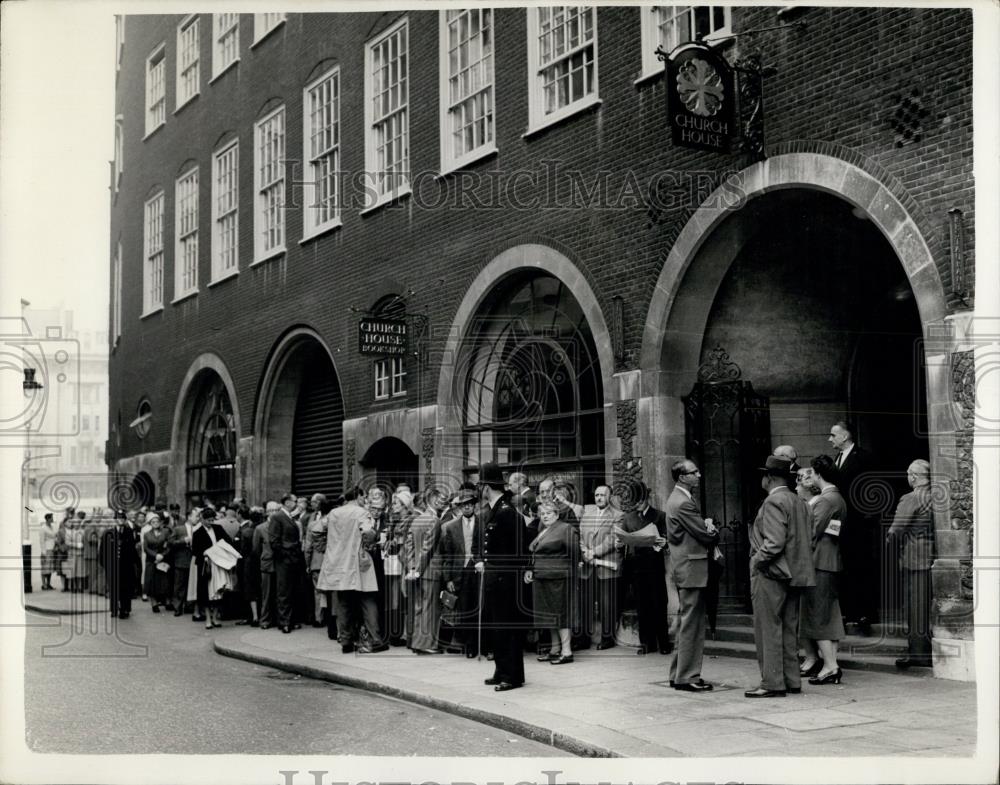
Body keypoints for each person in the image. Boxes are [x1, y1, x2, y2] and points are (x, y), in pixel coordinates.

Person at [745, 456, 816, 698]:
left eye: (764, 475)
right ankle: (791, 680)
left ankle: (773, 682)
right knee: (788, 628)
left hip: (772, 573)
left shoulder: (773, 502)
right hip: (796, 573)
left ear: (770, 477)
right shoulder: (800, 502)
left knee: (768, 628)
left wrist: (756, 561)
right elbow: (810, 538)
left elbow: (774, 543)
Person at [665, 459, 719, 692]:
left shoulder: (680, 499)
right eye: (693, 472)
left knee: (687, 622)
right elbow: (705, 535)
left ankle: (678, 673)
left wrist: (705, 526)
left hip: (686, 568)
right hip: (692, 569)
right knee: (692, 625)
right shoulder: (683, 503)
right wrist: (711, 528)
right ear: (681, 477)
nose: (698, 475)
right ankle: (687, 677)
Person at [316, 487, 387, 653]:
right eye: (363, 497)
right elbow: (368, 532)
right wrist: (370, 544)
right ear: (358, 496)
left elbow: (316, 529)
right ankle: (375, 640)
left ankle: (346, 641)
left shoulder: (334, 513)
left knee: (343, 603)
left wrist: (325, 548)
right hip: (358, 562)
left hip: (338, 563)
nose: (365, 500)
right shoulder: (361, 512)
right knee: (368, 600)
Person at [477, 462, 528, 691]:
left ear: (487, 487)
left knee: (507, 628)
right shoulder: (495, 510)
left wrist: (498, 572)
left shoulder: (508, 513)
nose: (480, 490)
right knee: (497, 627)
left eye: (481, 486)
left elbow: (519, 552)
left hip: (506, 582)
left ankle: (513, 675)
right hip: (495, 581)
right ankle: (501, 670)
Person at [798, 455, 847, 685]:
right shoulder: (835, 498)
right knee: (828, 614)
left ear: (818, 475)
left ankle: (830, 666)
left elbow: (810, 532)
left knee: (818, 615)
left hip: (820, 562)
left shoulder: (825, 500)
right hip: (829, 561)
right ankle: (830, 664)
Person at [828, 420, 877, 634]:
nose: (830, 439)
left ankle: (867, 611)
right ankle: (851, 610)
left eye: (833, 435)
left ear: (845, 436)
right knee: (846, 566)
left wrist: (868, 516)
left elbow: (873, 487)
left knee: (862, 565)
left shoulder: (864, 457)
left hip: (859, 522)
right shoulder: (836, 459)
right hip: (841, 522)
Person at [887, 459, 936, 669]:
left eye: (909, 474)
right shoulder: (936, 495)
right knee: (925, 607)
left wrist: (890, 541)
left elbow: (896, 529)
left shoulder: (911, 497)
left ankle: (919, 653)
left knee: (915, 608)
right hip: (931, 555)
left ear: (914, 476)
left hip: (914, 557)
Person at [620, 481, 671, 655]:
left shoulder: (659, 516)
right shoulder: (628, 518)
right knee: (642, 606)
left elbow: (666, 540)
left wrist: (664, 542)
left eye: (641, 499)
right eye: (636, 500)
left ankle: (663, 642)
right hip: (637, 568)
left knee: (659, 603)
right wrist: (620, 541)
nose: (638, 503)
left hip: (654, 567)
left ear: (647, 497)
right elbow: (622, 540)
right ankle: (647, 643)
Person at [525, 500, 580, 664]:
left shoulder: (566, 528)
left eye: (549, 513)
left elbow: (575, 554)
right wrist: (530, 570)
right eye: (542, 514)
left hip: (560, 579)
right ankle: (555, 649)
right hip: (542, 578)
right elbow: (534, 553)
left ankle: (567, 652)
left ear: (557, 514)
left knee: (561, 615)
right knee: (549, 616)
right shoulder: (543, 529)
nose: (545, 516)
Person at [404, 486, 450, 653]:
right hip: (430, 571)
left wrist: (412, 568)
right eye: (440, 500)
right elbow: (428, 548)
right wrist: (418, 569)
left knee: (419, 608)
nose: (443, 503)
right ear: (432, 500)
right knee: (430, 610)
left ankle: (417, 643)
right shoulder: (434, 520)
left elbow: (409, 546)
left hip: (418, 571)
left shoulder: (417, 519)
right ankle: (427, 645)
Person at [578, 484, 623, 650]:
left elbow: (612, 539)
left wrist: (593, 553)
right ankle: (583, 639)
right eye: (596, 495)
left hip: (607, 567)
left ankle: (607, 638)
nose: (598, 498)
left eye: (602, 495)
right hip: (587, 567)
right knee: (585, 604)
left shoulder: (618, 515)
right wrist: (584, 551)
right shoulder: (586, 514)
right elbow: (580, 536)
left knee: (607, 604)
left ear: (609, 497)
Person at [439, 486, 482, 657]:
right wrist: (448, 578)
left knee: (478, 607)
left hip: (477, 570)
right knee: (464, 610)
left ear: (474, 505)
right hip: (460, 572)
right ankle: (469, 646)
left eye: (470, 504)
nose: (467, 507)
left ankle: (480, 645)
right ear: (459, 507)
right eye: (463, 505)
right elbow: (447, 554)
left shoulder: (483, 523)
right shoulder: (451, 527)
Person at [192, 508, 233, 629]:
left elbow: (228, 541)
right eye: (208, 520)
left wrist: (222, 550)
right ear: (202, 519)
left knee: (218, 591)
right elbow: (195, 551)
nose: (211, 522)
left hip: (219, 564)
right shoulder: (197, 533)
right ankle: (208, 619)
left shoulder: (218, 528)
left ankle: (215, 617)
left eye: (212, 520)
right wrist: (206, 553)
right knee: (206, 592)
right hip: (206, 566)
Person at [268, 494, 304, 634]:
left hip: (292, 559)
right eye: (295, 501)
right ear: (287, 502)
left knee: (291, 590)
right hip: (285, 560)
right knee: (283, 591)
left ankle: (290, 620)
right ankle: (284, 622)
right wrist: (285, 554)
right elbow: (274, 541)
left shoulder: (289, 517)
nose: (297, 503)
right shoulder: (278, 517)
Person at [384, 489, 415, 644]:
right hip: (395, 564)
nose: (393, 505)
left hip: (403, 564)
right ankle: (399, 633)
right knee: (396, 598)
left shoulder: (408, 520)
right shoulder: (397, 520)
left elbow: (406, 544)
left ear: (404, 505)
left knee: (403, 597)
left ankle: (404, 634)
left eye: (396, 503)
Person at [100, 510, 138, 619]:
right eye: (118, 518)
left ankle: (125, 609)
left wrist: (134, 563)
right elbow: (103, 550)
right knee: (114, 588)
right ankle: (114, 609)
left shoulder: (129, 532)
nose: (120, 520)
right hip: (113, 566)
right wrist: (105, 565)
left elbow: (132, 549)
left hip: (126, 566)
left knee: (126, 588)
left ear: (125, 520)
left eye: (122, 518)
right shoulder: (108, 533)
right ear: (114, 520)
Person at [303, 495, 331, 629]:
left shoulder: (312, 523)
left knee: (319, 591)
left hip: (317, 561)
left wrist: (307, 564)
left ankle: (319, 618)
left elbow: (308, 546)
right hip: (331, 560)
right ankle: (330, 617)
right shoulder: (333, 520)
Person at [142, 513, 172, 612]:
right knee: (152, 583)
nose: (155, 523)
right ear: (150, 523)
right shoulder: (147, 534)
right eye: (153, 522)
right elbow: (146, 548)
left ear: (160, 522)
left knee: (164, 582)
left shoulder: (165, 532)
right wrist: (155, 556)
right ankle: (154, 603)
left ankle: (167, 602)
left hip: (163, 560)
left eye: (157, 521)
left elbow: (169, 546)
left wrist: (163, 555)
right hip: (152, 561)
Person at [235, 504, 259, 626]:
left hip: (246, 563)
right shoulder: (257, 529)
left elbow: (242, 549)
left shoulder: (246, 531)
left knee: (247, 589)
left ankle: (250, 617)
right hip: (256, 563)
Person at [252, 506, 276, 629]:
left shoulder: (280, 526)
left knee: (280, 593)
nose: (274, 513)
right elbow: (256, 549)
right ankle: (265, 620)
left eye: (276, 510)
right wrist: (264, 556)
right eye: (271, 510)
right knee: (266, 594)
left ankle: (278, 620)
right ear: (267, 513)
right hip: (266, 564)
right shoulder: (260, 528)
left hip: (280, 564)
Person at [168, 509, 195, 617]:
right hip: (181, 560)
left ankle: (189, 606)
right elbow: (170, 542)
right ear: (189, 517)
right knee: (179, 584)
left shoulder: (198, 529)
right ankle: (177, 607)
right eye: (195, 516)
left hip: (193, 561)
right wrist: (183, 541)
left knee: (191, 584)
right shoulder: (179, 529)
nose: (197, 518)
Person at [39, 513, 57, 590]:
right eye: (51, 518)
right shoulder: (43, 528)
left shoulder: (52, 527)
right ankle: (44, 584)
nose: (52, 519)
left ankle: (48, 584)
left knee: (50, 568)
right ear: (48, 519)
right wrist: (43, 552)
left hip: (52, 549)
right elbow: (41, 540)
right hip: (46, 550)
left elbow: (54, 537)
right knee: (44, 568)